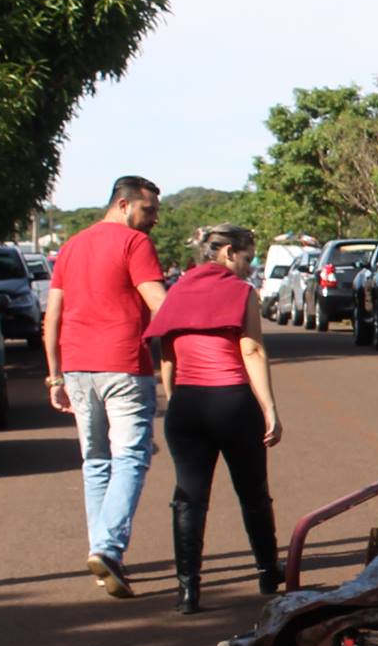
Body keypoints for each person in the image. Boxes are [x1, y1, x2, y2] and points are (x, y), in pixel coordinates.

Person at [144, 224, 284, 614]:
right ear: (225, 253)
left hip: (187, 403)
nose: (250, 266)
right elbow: (252, 349)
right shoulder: (241, 293)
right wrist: (269, 406)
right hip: (233, 402)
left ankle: (188, 590)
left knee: (189, 497)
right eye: (247, 257)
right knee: (252, 491)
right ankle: (269, 572)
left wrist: (175, 401)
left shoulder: (177, 292)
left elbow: (167, 354)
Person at [44, 175, 166, 598]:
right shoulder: (134, 244)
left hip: (77, 367)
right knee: (131, 455)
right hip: (124, 365)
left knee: (96, 460)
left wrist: (54, 373)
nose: (153, 219)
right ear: (123, 204)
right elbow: (159, 304)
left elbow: (53, 314)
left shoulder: (72, 246)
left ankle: (102, 554)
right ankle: (109, 548)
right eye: (148, 210)